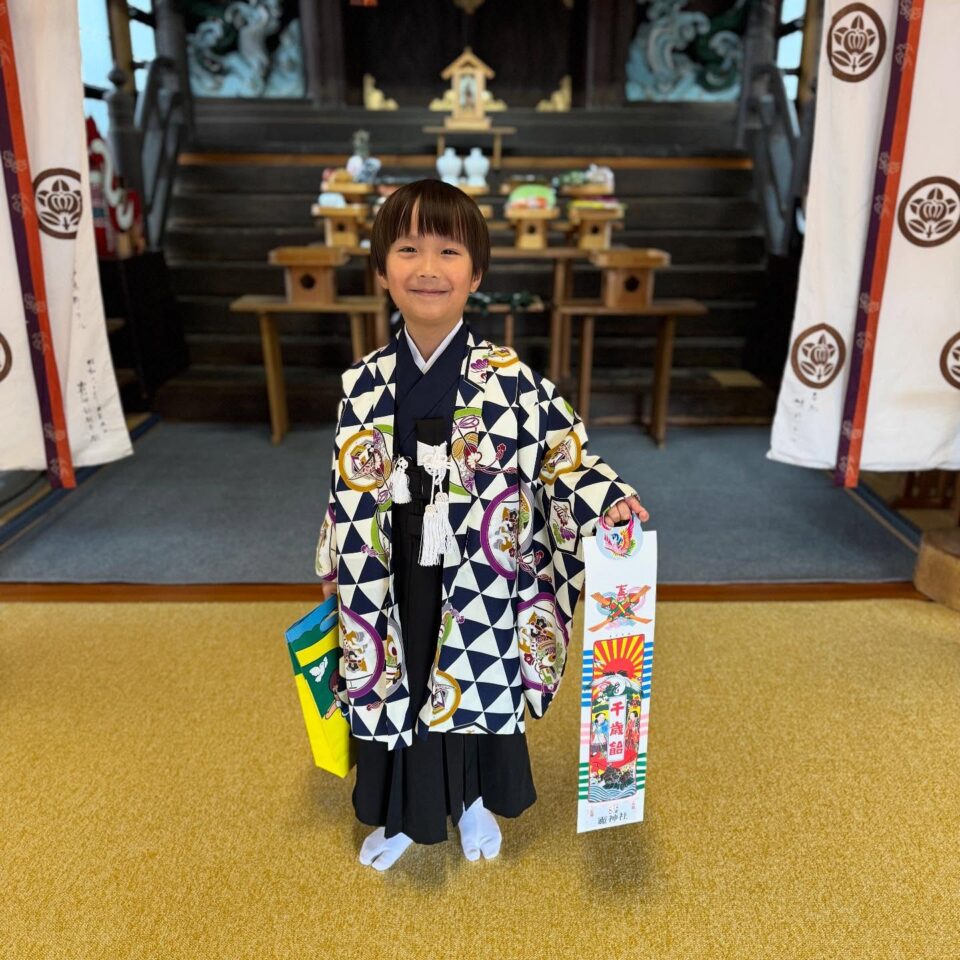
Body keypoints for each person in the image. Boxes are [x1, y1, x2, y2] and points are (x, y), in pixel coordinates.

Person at [315, 179, 648, 871]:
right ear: (381, 270)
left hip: (478, 567)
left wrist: (605, 498)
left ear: (478, 272)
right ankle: (407, 815)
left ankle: (470, 802)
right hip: (390, 566)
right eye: (407, 249)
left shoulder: (511, 379)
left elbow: (562, 459)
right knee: (395, 677)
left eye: (448, 251)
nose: (428, 268)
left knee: (472, 677)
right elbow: (342, 488)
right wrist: (334, 565)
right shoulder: (362, 382)